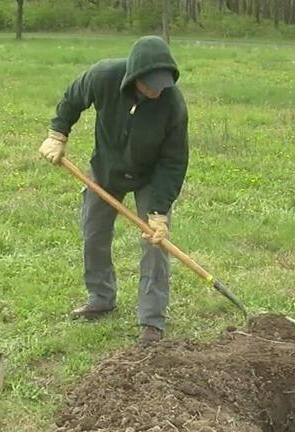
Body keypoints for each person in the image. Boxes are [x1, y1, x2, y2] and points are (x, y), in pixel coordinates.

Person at [39, 36, 189, 348]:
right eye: (151, 83)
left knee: (155, 245)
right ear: (135, 75)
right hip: (106, 170)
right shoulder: (103, 76)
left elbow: (174, 162)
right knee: (93, 232)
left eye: (163, 83)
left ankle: (151, 321)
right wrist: (57, 134)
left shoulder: (172, 105)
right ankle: (101, 298)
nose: (157, 89)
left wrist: (158, 212)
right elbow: (72, 98)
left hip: (149, 177)